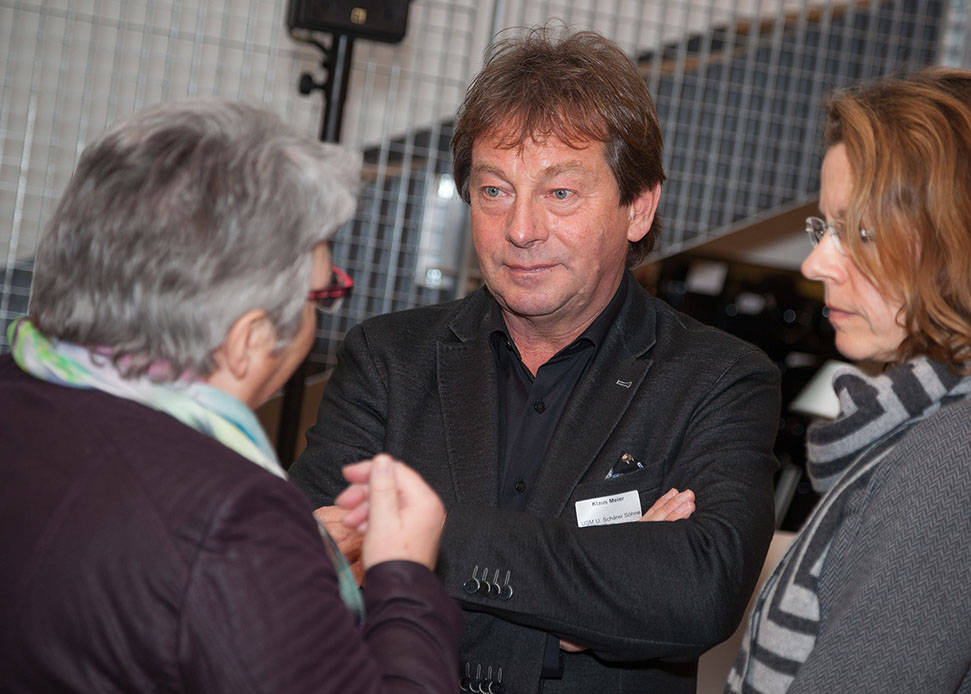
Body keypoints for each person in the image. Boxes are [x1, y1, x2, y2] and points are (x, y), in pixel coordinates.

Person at [289, 26, 781, 693]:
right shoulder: (387, 359)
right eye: (495, 191)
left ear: (638, 207)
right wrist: (588, 606)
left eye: (560, 194)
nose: (520, 230)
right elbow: (301, 568)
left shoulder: (717, 380)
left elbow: (696, 594)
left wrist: (418, 541)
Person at [0, 100, 462, 692]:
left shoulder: (17, 386)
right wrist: (405, 578)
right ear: (248, 340)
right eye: (325, 294)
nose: (324, 311)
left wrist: (293, 568)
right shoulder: (231, 517)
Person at [727, 68, 971, 693]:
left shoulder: (952, 457)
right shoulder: (923, 429)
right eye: (824, 228)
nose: (815, 264)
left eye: (859, 232)